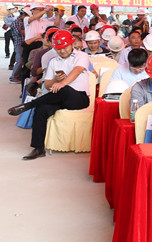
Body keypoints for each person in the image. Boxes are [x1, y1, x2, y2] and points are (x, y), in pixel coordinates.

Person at [8, 31, 91, 160]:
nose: (62, 51)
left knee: (65, 89)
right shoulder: (53, 62)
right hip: (58, 98)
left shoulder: (82, 56)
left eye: (65, 47)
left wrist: (62, 83)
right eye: (59, 49)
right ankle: (38, 148)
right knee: (41, 109)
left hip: (79, 98)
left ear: (72, 44)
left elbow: (77, 70)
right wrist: (55, 81)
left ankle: (28, 105)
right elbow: (47, 85)